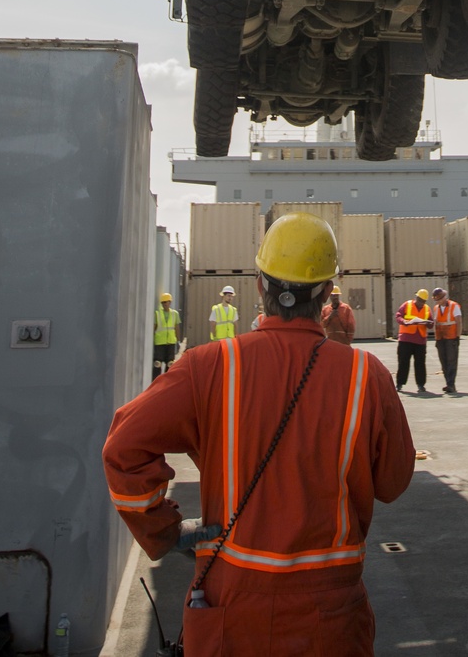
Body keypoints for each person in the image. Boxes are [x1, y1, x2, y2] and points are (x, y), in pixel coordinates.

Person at [103, 213, 415, 656]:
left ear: (258, 284)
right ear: (328, 293)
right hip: (330, 616)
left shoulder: (206, 366)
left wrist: (165, 530)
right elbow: (393, 482)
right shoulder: (368, 376)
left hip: (231, 606)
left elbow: (122, 450)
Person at [394, 288, 431, 393]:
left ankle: (421, 385)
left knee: (420, 364)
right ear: (416, 298)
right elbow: (398, 316)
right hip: (406, 339)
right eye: (419, 300)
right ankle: (400, 384)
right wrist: (404, 321)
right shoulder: (407, 305)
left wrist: (428, 323)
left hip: (420, 340)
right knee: (403, 363)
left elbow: (431, 322)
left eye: (423, 301)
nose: (420, 303)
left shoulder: (427, 309)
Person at [431, 286, 462, 393]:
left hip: (451, 337)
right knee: (443, 361)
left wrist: (458, 337)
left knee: (451, 361)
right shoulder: (436, 308)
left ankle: (451, 384)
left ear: (444, 297)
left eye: (439, 299)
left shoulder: (454, 306)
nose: (438, 301)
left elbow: (459, 322)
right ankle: (448, 383)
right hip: (440, 338)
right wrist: (436, 338)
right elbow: (436, 323)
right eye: (436, 300)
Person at [153, 292, 182, 375]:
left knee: (170, 364)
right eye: (163, 302)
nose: (165, 304)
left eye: (167, 302)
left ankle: (167, 383)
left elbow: (177, 328)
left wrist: (178, 340)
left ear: (170, 302)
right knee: (157, 364)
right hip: (160, 342)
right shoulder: (157, 314)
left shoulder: (174, 314)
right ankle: (156, 382)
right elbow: (154, 327)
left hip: (170, 342)